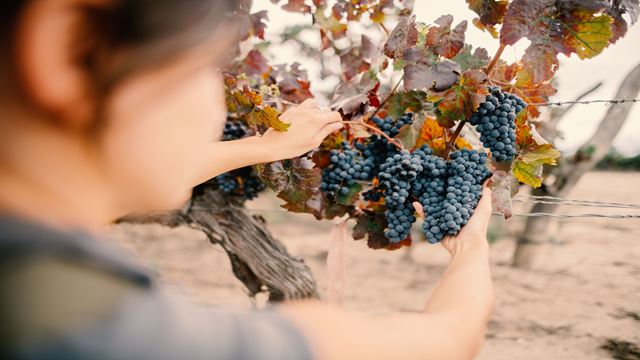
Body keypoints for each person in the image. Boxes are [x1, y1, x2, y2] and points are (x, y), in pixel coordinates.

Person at [0, 0, 495, 359]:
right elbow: (446, 341)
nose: (217, 108)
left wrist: (267, 147)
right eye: (206, 69)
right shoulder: (96, 333)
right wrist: (471, 248)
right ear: (70, 47)